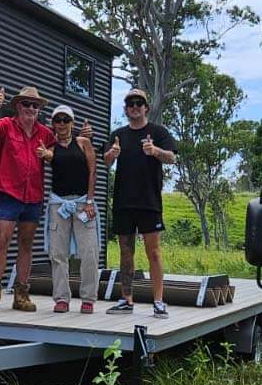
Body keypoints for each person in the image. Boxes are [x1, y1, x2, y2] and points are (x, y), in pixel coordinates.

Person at [101, 87, 178, 317]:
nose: (135, 106)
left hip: (149, 201)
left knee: (153, 252)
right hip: (124, 202)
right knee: (126, 251)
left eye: (139, 103)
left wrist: (154, 151)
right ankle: (127, 300)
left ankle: (158, 301)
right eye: (130, 103)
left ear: (146, 107)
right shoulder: (119, 135)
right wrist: (112, 154)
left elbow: (172, 158)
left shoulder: (158, 132)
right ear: (125, 109)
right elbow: (104, 161)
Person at [0, 85, 53, 312]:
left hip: (33, 195)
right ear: (17, 106)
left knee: (26, 243)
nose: (31, 108)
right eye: (26, 104)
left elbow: (62, 148)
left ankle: (21, 294)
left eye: (35, 105)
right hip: (9, 193)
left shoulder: (45, 133)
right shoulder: (7, 125)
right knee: (2, 239)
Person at [39, 104, 99, 314]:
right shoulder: (50, 147)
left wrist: (90, 201)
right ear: (53, 124)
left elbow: (93, 172)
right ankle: (61, 298)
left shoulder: (83, 143)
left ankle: (88, 298)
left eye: (66, 120)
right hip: (59, 204)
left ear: (72, 123)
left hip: (83, 203)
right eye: (58, 120)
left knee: (89, 251)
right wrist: (44, 154)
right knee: (57, 253)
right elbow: (44, 155)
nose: (62, 124)